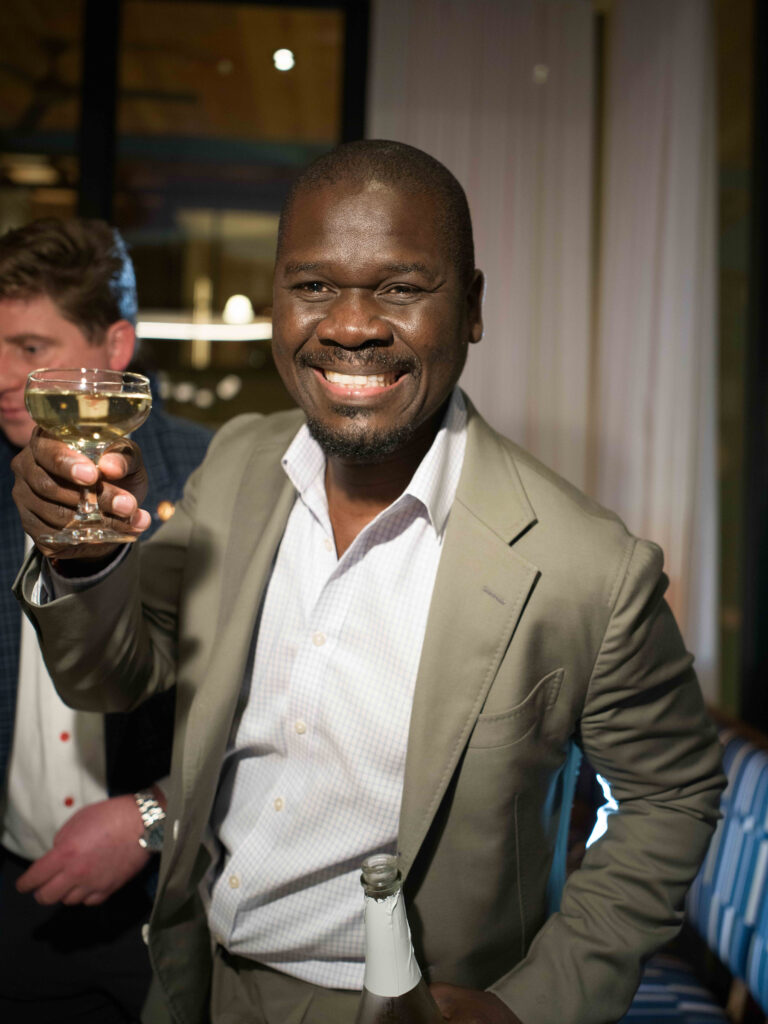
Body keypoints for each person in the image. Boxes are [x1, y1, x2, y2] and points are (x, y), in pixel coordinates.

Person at [11, 143, 725, 1024]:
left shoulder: (587, 567)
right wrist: (81, 560)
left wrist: (537, 1003)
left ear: (471, 307)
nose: (350, 326)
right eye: (313, 285)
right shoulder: (236, 467)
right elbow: (113, 677)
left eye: (400, 287)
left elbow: (673, 793)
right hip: (198, 984)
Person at [0, 218, 211, 1023]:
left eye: (29, 347)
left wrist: (155, 814)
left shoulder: (210, 476)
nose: (2, 374)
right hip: (16, 909)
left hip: (169, 910)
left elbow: (274, 706)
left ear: (115, 346)